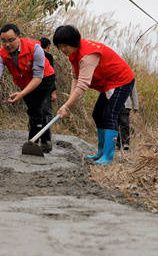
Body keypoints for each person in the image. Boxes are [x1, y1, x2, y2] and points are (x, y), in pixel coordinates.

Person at [53, 25, 135, 165]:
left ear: (73, 41)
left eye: (64, 45)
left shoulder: (88, 56)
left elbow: (83, 84)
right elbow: (75, 77)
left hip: (120, 80)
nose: (62, 50)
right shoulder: (73, 54)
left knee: (110, 115)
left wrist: (66, 105)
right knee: (98, 114)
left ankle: (108, 157)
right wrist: (70, 101)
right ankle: (100, 152)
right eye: (59, 46)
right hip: (107, 83)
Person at [0, 24, 56, 153]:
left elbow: (38, 77)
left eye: (11, 40)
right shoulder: (1, 54)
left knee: (42, 108)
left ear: (19, 37)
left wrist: (22, 94)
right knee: (33, 111)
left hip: (44, 79)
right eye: (3, 41)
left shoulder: (35, 48)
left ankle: (42, 141)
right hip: (25, 82)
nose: (7, 44)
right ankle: (34, 141)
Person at [117, 84, 139, 150]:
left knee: (124, 123)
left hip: (125, 105)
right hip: (114, 104)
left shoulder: (129, 77)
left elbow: (133, 92)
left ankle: (125, 143)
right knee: (114, 124)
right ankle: (117, 144)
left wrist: (135, 105)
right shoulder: (113, 76)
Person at [39, 37, 58, 102]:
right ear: (48, 47)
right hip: (45, 87)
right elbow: (51, 74)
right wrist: (53, 92)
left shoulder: (33, 54)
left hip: (33, 87)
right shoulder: (48, 56)